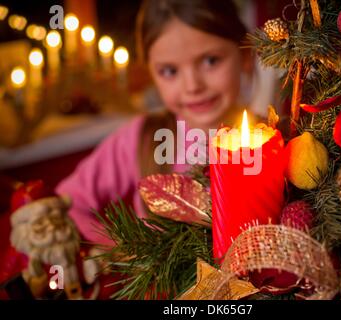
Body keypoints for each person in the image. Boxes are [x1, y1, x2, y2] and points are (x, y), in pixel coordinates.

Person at [55, 0, 254, 245]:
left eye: (211, 60)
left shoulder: (274, 142)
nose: (192, 86)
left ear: (244, 55)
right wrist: (124, 252)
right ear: (151, 73)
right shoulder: (142, 138)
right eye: (170, 71)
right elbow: (68, 203)